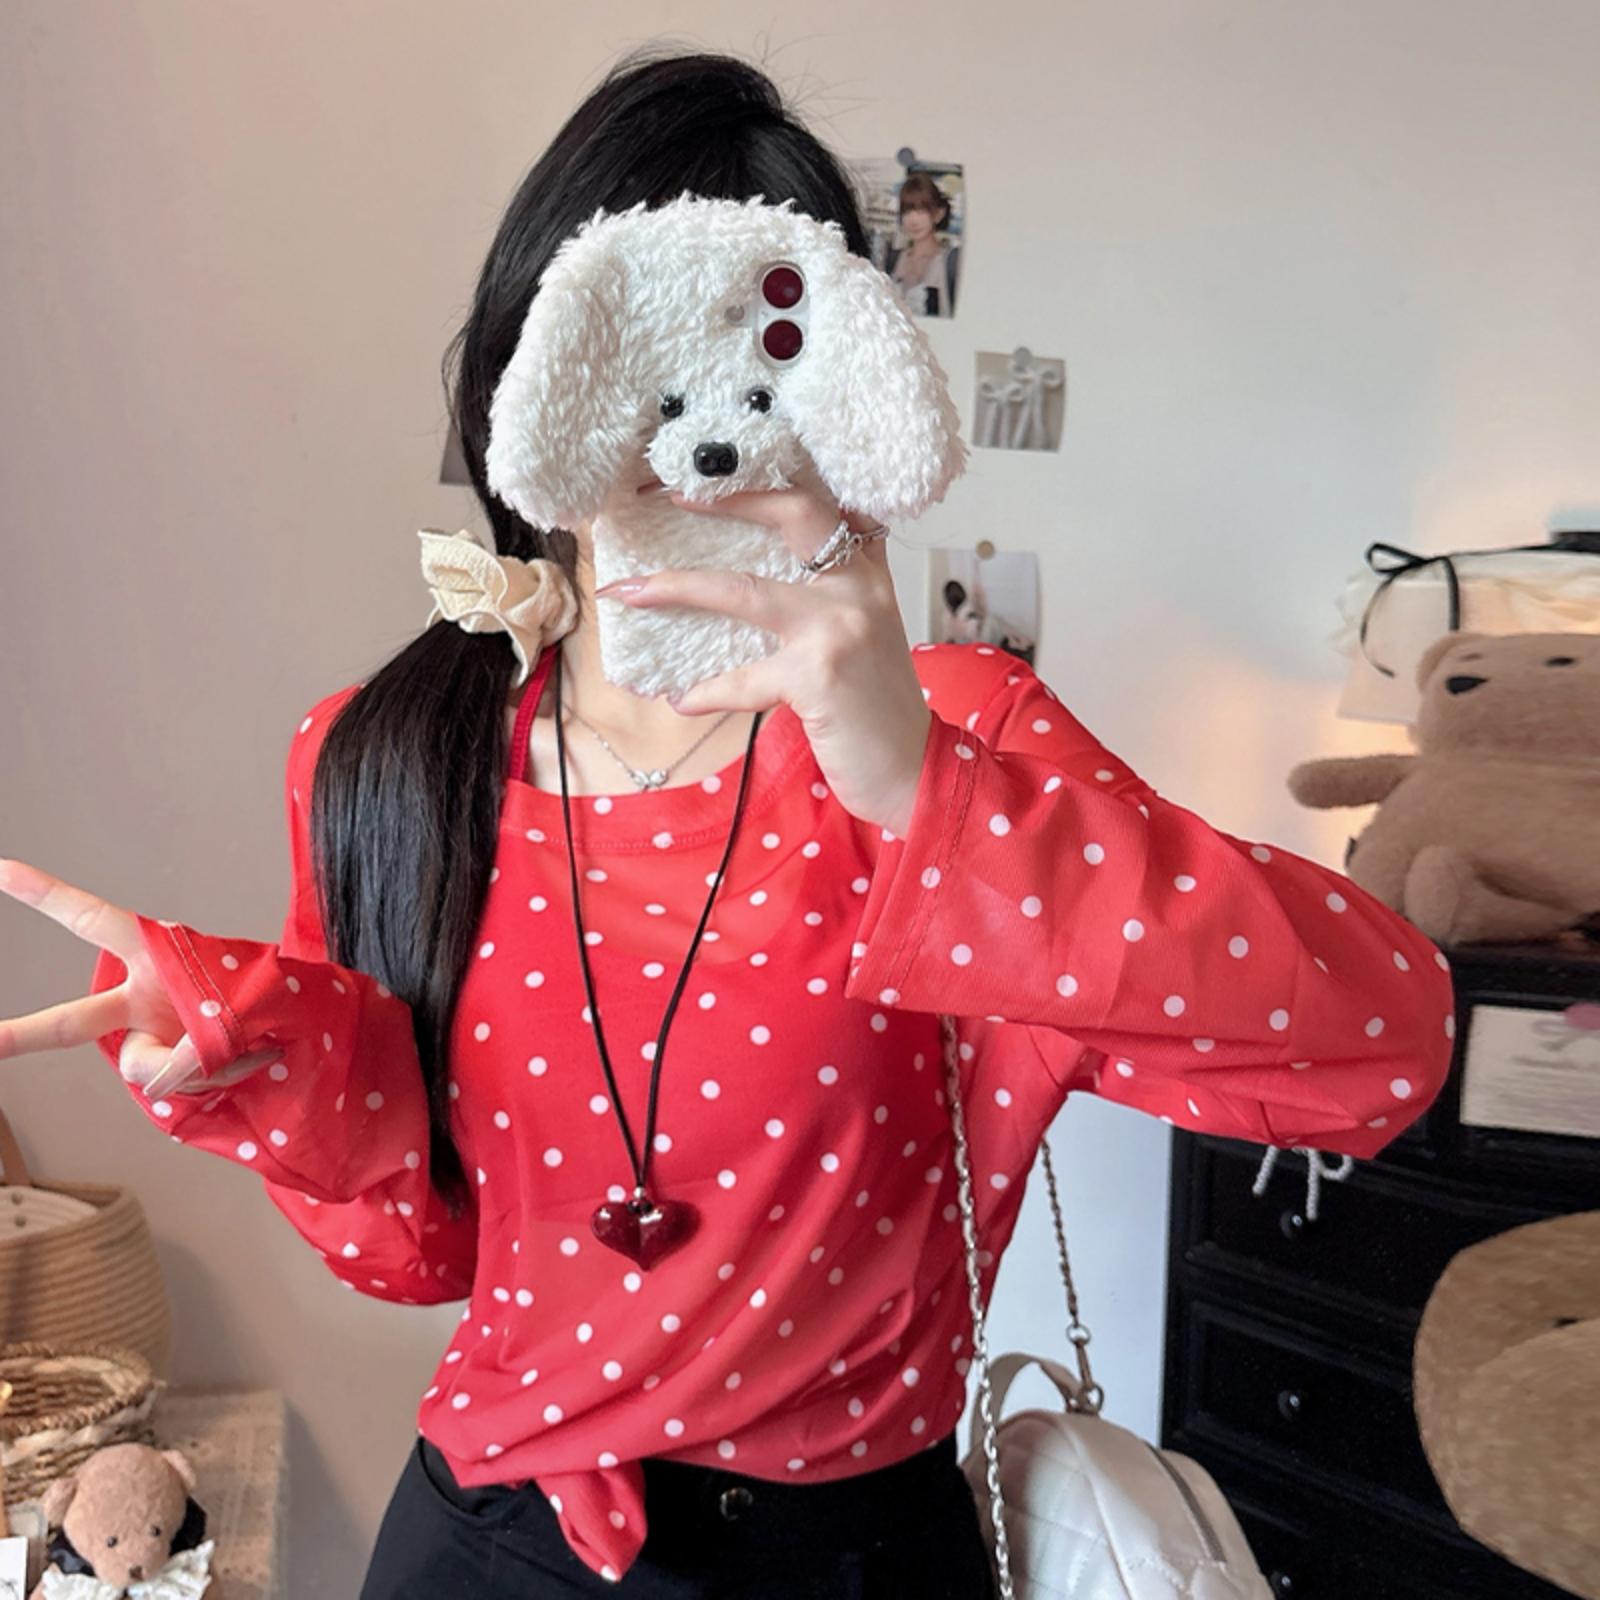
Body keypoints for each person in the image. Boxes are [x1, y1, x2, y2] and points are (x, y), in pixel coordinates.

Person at [0, 44, 1457, 1600]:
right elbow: (419, 1260)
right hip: (489, 1541)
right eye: (628, 350)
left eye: (755, 350)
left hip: (855, 1558)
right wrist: (260, 1060)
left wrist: (924, 793)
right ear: (531, 377)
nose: (684, 433)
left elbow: (1381, 1045)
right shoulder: (387, 755)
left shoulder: (955, 731)